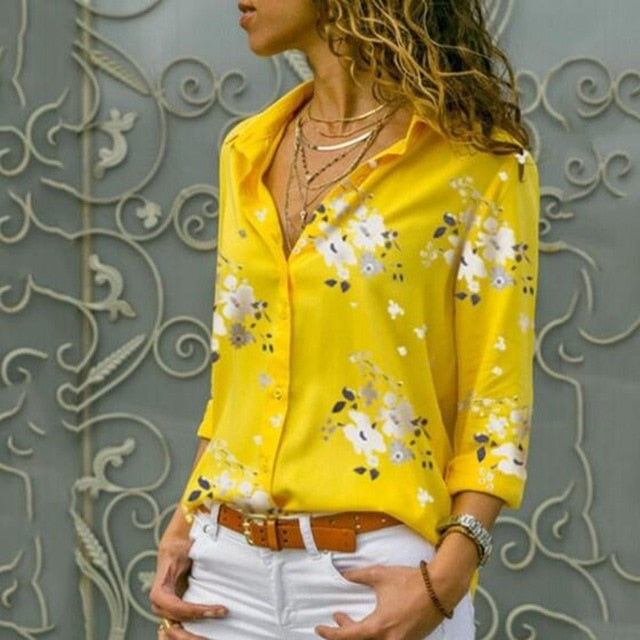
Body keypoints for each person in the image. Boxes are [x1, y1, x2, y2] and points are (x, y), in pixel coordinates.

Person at [150, 0, 539, 638]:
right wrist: (182, 528)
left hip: (375, 579)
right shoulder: (246, 151)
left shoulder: (479, 162)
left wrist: (444, 582)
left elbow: (496, 403)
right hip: (222, 574)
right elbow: (239, 379)